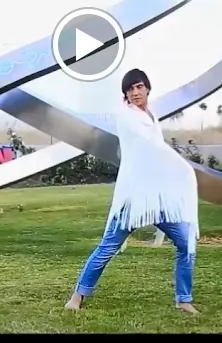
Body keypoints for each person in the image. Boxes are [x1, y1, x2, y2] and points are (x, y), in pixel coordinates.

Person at [64, 68, 201, 314]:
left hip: (157, 200)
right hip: (133, 200)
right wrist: (181, 164)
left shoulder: (151, 115)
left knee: (186, 243)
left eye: (139, 87)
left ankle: (183, 299)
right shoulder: (126, 116)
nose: (135, 92)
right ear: (125, 94)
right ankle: (77, 296)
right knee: (107, 248)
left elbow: (156, 153)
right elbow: (151, 146)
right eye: (130, 89)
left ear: (147, 88)